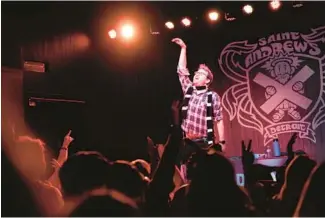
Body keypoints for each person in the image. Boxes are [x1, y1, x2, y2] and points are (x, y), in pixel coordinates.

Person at [171, 38, 226, 177]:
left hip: (204, 142)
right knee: (185, 173)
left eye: (200, 74)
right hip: (187, 141)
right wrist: (183, 48)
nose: (196, 75)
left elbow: (219, 120)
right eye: (196, 73)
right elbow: (181, 71)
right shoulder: (189, 89)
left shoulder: (212, 96)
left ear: (207, 80)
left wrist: (222, 142)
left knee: (205, 174)